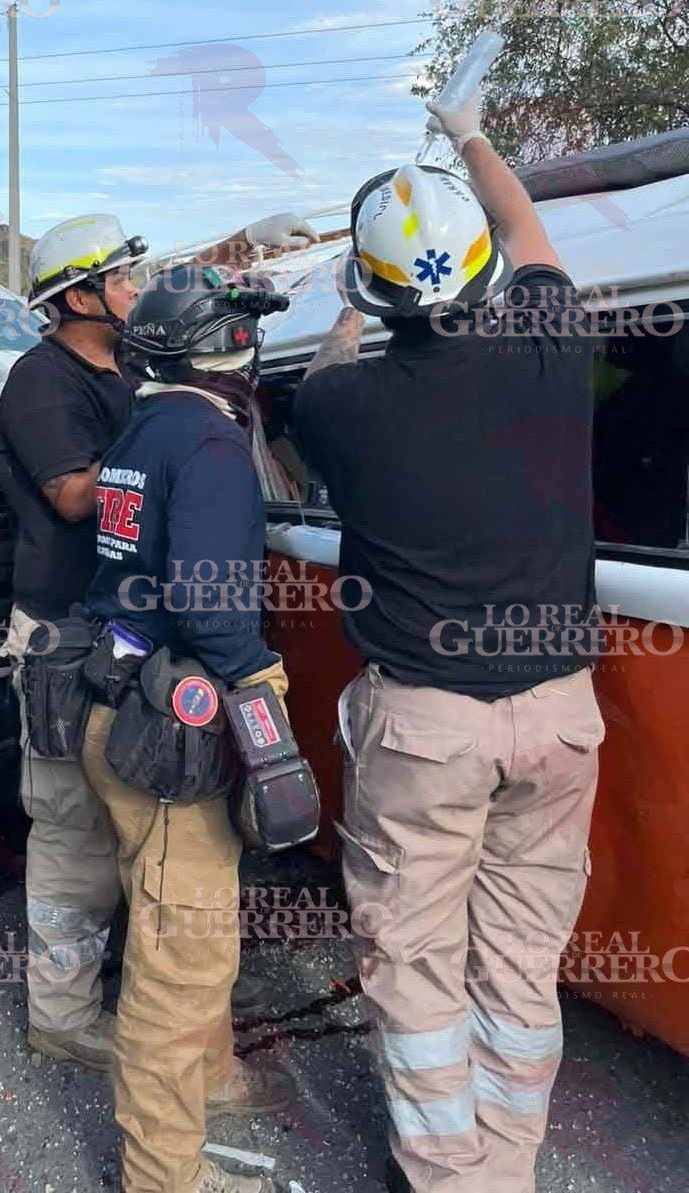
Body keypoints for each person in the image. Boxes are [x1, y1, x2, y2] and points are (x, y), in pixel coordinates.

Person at [291, 90, 604, 1192]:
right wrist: (468, 132)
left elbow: (325, 372)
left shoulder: (342, 407)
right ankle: (507, 1166)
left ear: (371, 296)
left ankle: (446, 1173)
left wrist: (346, 305)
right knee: (523, 956)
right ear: (481, 276)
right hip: (563, 715)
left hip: (426, 727)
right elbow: (526, 231)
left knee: (416, 956)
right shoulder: (556, 349)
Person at [0, 210, 318, 1071]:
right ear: (78, 297)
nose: (137, 291)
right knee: (71, 832)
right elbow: (71, 497)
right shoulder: (41, 381)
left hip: (131, 636)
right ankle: (63, 1011)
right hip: (64, 633)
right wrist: (168, 437)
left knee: (151, 825)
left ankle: (164, 990)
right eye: (124, 278)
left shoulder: (138, 376)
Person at [79, 262, 301, 1193]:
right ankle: (165, 1174)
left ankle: (209, 1080)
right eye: (238, 330)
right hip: (171, 721)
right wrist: (262, 684)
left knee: (177, 922)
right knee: (180, 962)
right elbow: (210, 607)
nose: (247, 345)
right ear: (215, 346)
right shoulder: (209, 441)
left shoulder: (143, 427)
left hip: (112, 695)